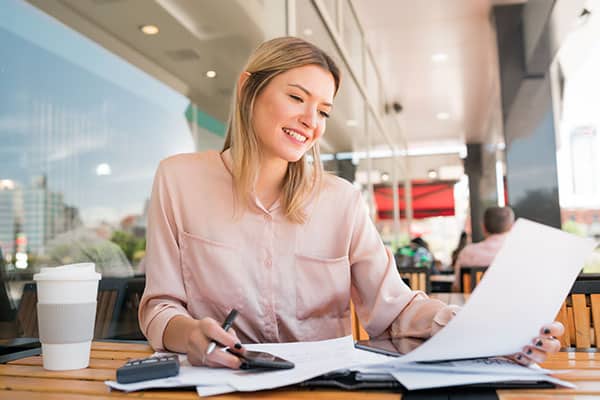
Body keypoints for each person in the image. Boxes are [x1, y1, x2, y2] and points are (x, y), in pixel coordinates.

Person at [139, 37, 562, 369]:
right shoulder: (179, 179)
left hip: (324, 388)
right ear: (249, 87)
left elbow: (393, 308)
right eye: (297, 97)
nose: (311, 121)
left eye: (324, 110)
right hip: (218, 383)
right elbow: (159, 307)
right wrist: (190, 334)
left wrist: (480, 331)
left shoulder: (340, 200)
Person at [451, 206, 515, 292]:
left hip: (473, 305)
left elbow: (457, 287)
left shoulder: (468, 253)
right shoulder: (520, 253)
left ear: (483, 227)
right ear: (512, 227)